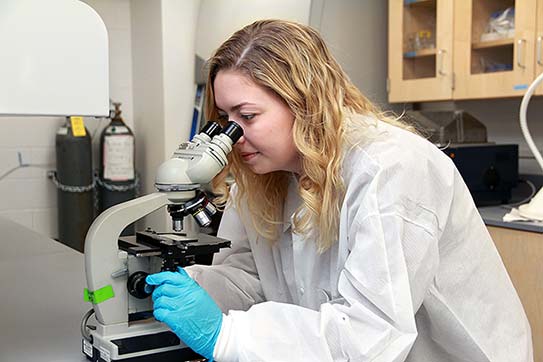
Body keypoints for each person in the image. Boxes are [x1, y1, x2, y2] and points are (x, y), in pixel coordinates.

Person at [145, 19, 533, 362]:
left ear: (304, 102)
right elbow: (255, 279)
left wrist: (226, 335)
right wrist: (189, 288)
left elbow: (370, 335)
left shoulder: (389, 168)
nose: (233, 136)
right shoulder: (264, 172)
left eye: (246, 116)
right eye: (225, 118)